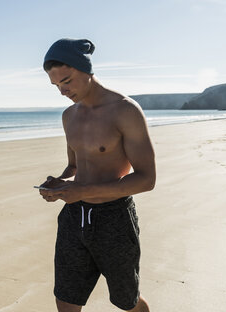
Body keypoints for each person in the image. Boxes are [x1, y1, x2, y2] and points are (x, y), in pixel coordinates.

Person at [38, 38, 156, 312]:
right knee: (66, 300)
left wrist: (82, 191)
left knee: (127, 301)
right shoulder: (69, 116)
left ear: (85, 69)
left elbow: (147, 179)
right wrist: (60, 184)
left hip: (113, 219)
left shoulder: (125, 110)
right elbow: (74, 167)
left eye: (66, 81)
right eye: (56, 85)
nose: (62, 91)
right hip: (73, 217)